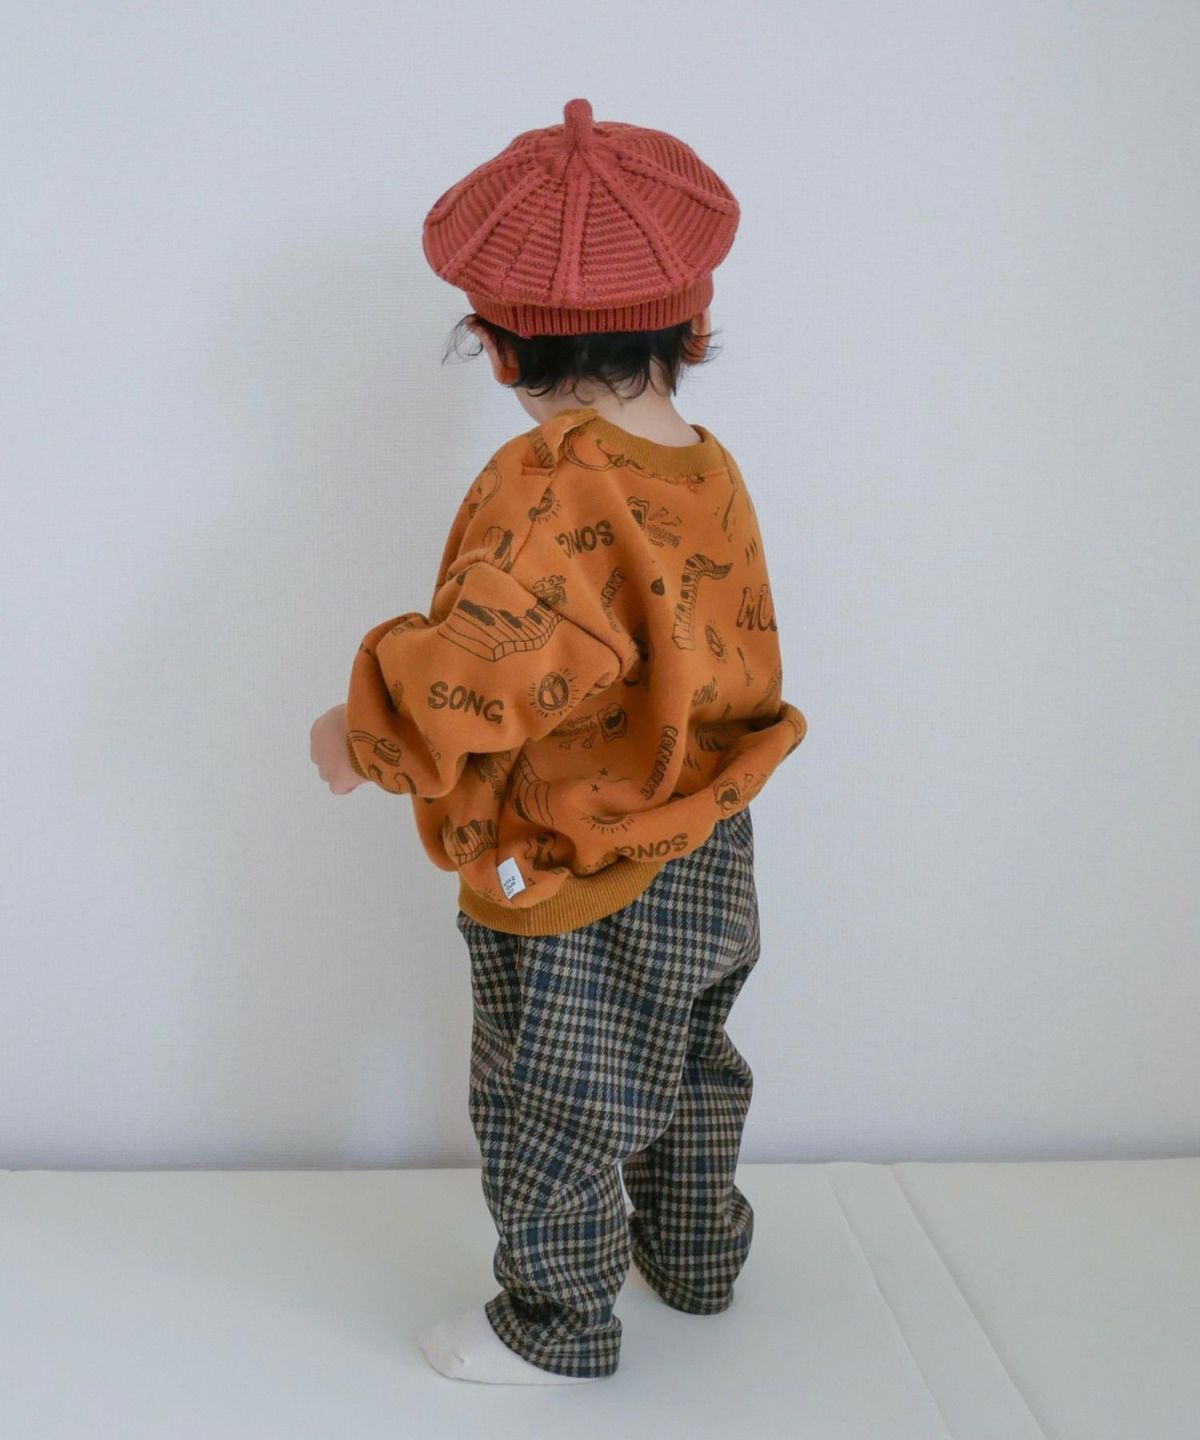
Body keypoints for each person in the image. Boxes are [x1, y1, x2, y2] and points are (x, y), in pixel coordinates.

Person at [309, 98, 807, 1383]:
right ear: (694, 323)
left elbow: (487, 667)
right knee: (689, 1064)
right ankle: (696, 1258)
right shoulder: (710, 467)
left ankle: (555, 1327)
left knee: (558, 1099)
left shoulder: (548, 487)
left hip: (584, 866)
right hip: (713, 840)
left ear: (496, 349)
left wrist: (360, 731)